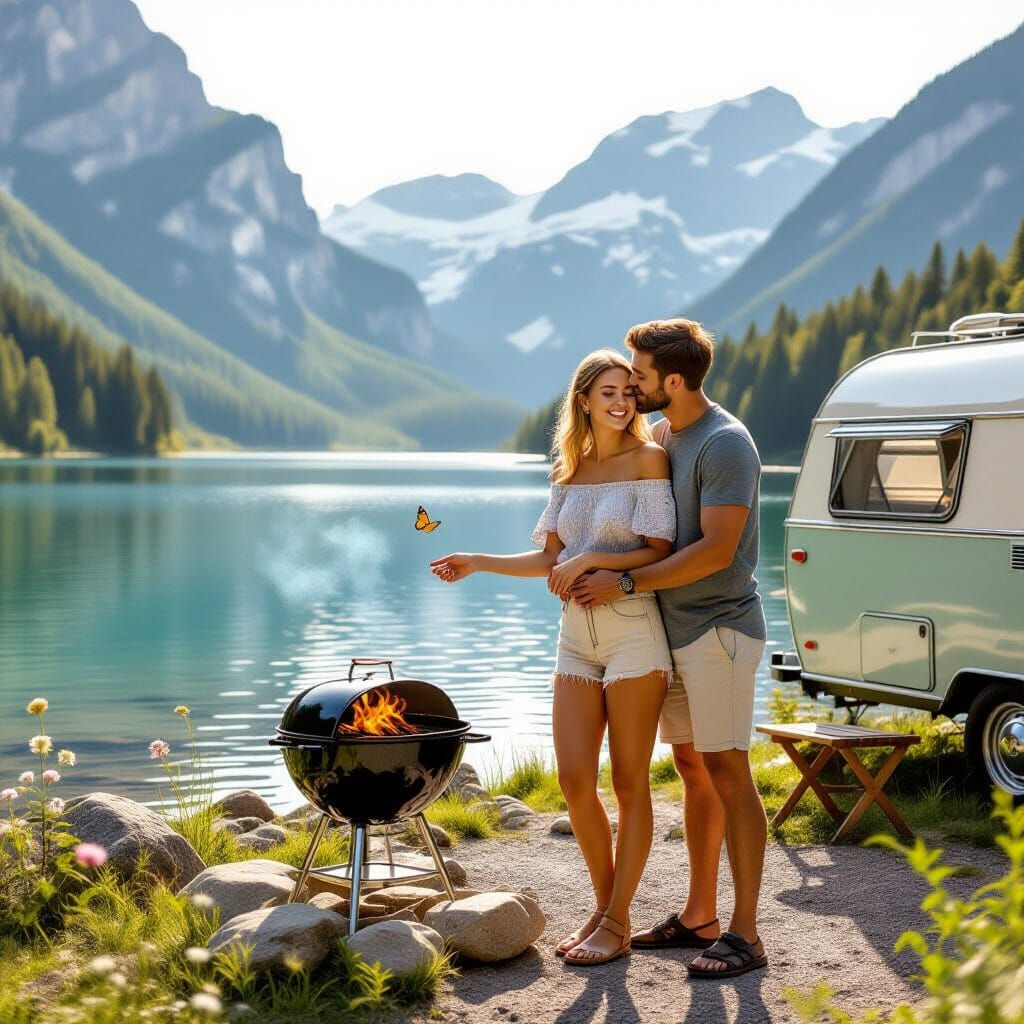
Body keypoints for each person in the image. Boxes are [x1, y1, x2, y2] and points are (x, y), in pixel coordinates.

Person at [430, 349, 676, 966]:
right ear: (584, 402)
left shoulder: (650, 459)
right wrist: (477, 560)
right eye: (608, 393)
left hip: (633, 633)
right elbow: (548, 559)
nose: (622, 402)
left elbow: (659, 550)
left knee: (627, 783)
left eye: (628, 391)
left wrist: (593, 562)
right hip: (576, 637)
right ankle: (606, 911)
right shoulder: (569, 471)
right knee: (572, 781)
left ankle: (616, 920)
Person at [570, 318, 769, 980]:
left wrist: (624, 579)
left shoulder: (726, 444)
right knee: (691, 767)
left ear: (673, 381)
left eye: (642, 375)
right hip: (672, 629)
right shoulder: (665, 436)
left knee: (728, 769)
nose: (632, 382)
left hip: (719, 629)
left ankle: (745, 932)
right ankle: (701, 916)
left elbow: (715, 552)